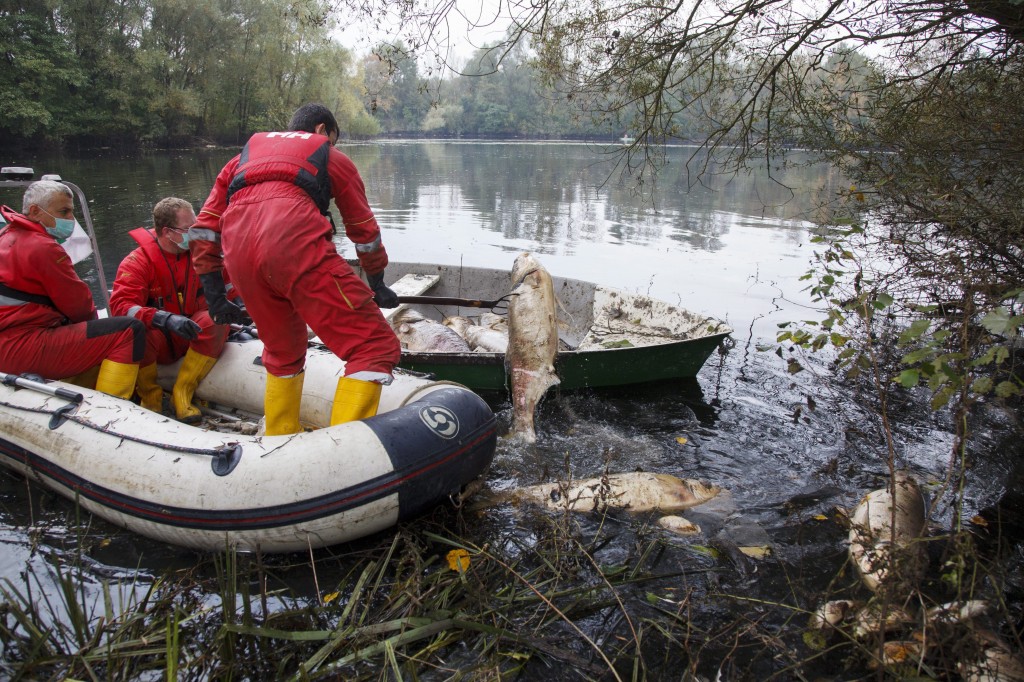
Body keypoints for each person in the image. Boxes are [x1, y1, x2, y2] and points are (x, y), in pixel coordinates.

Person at [190, 103, 401, 435]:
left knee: (283, 351)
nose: (333, 146)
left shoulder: (239, 161)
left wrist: (215, 296)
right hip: (294, 248)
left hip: (240, 258)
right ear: (321, 131)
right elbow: (365, 233)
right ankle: (341, 453)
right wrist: (377, 283)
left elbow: (204, 230)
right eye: (333, 139)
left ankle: (279, 434)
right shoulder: (331, 157)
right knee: (373, 345)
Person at [0, 180, 145, 396]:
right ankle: (109, 408)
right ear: (35, 211)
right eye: (64, 212)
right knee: (129, 330)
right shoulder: (43, 247)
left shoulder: (6, 237)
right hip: (18, 346)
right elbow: (80, 306)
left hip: (10, 338)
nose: (70, 219)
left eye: (71, 212)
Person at [109, 197, 232, 422]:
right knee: (137, 331)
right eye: (188, 229)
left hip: (194, 332)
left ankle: (182, 392)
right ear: (167, 232)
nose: (193, 234)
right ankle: (151, 399)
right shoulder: (137, 262)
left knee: (217, 318)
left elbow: (228, 287)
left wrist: (242, 306)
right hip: (160, 338)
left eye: (195, 227)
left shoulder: (202, 256)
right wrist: (163, 319)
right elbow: (121, 307)